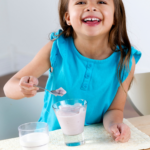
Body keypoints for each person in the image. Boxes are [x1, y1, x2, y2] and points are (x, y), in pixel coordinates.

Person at [3, 0, 141, 143]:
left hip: (94, 141)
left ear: (115, 16)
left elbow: (115, 110)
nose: (91, 7)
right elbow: (9, 88)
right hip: (51, 139)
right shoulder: (56, 48)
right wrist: (22, 87)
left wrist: (114, 125)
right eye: (81, 2)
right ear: (68, 18)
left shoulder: (125, 60)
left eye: (101, 1)